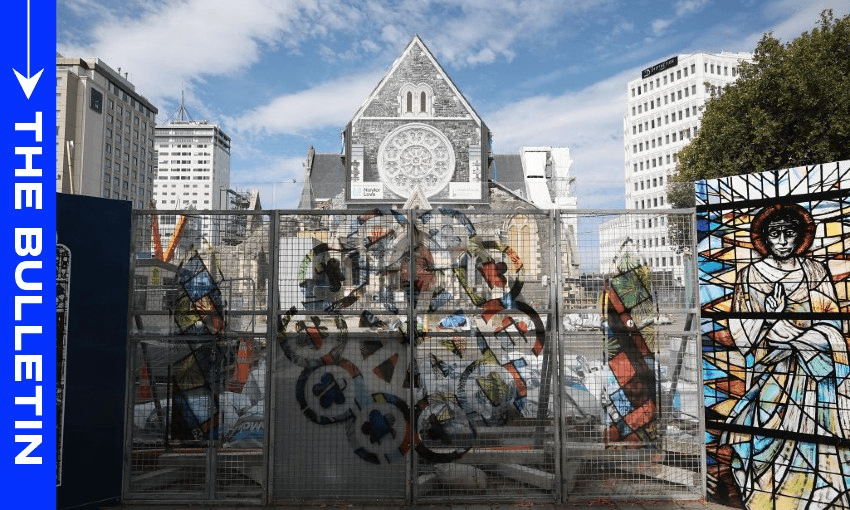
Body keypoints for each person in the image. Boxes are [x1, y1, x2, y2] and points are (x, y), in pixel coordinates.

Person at [724, 203, 850, 508]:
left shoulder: (814, 270)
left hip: (813, 373)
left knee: (815, 434)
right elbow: (742, 330)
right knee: (764, 431)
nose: (781, 240)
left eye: (788, 233)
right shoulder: (751, 273)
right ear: (765, 237)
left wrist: (798, 336)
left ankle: (818, 495)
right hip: (771, 368)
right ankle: (765, 494)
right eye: (775, 233)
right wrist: (771, 317)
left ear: (800, 237)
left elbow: (833, 321)